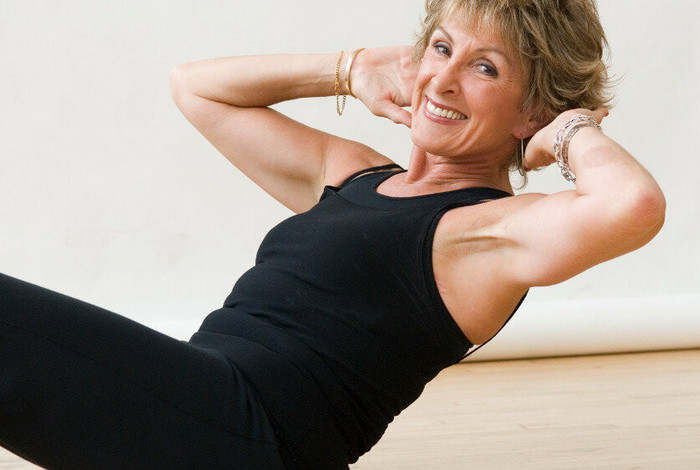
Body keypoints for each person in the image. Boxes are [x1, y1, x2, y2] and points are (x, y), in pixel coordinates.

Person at [0, 0, 665, 468]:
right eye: (441, 48)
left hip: (250, 438)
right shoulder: (351, 174)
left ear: (531, 109)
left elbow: (632, 205)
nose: (442, 79)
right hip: (201, 403)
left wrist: (570, 129)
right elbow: (196, 88)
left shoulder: (485, 232)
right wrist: (349, 68)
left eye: (484, 67)